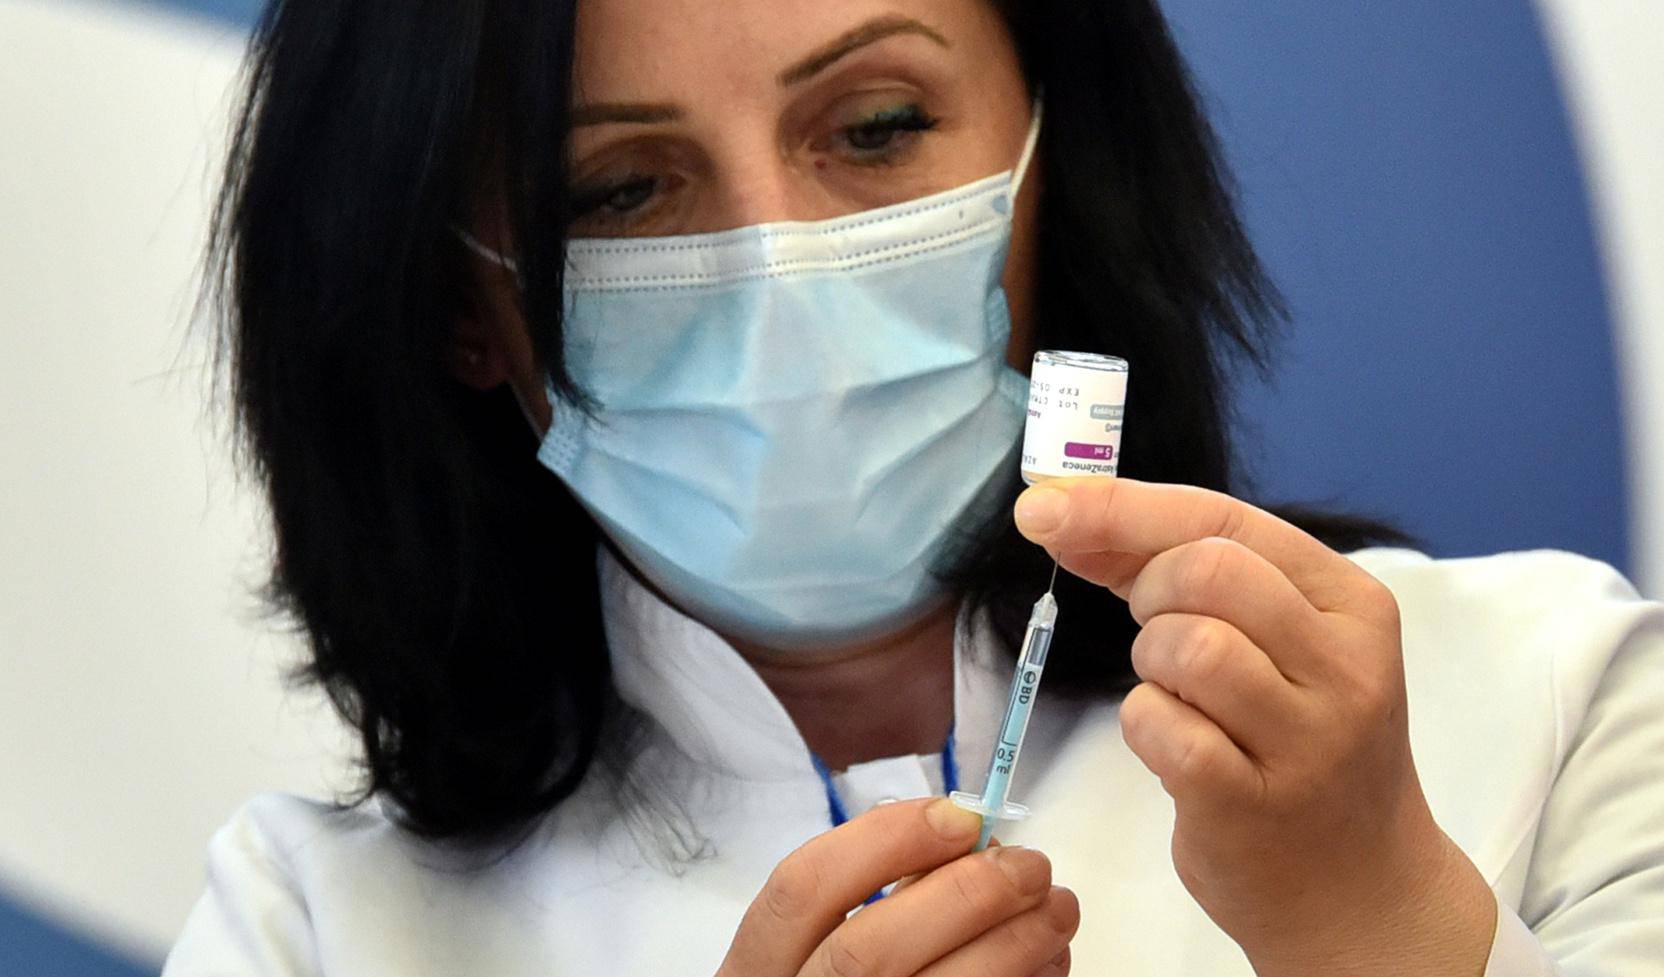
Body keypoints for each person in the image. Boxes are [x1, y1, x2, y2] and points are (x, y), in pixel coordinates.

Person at [164, 0, 1664, 974]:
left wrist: (1384, 922)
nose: (783, 265)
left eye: (876, 127)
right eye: (619, 192)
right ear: (465, 311)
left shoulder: (1548, 692)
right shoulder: (311, 931)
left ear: (1048, 152)